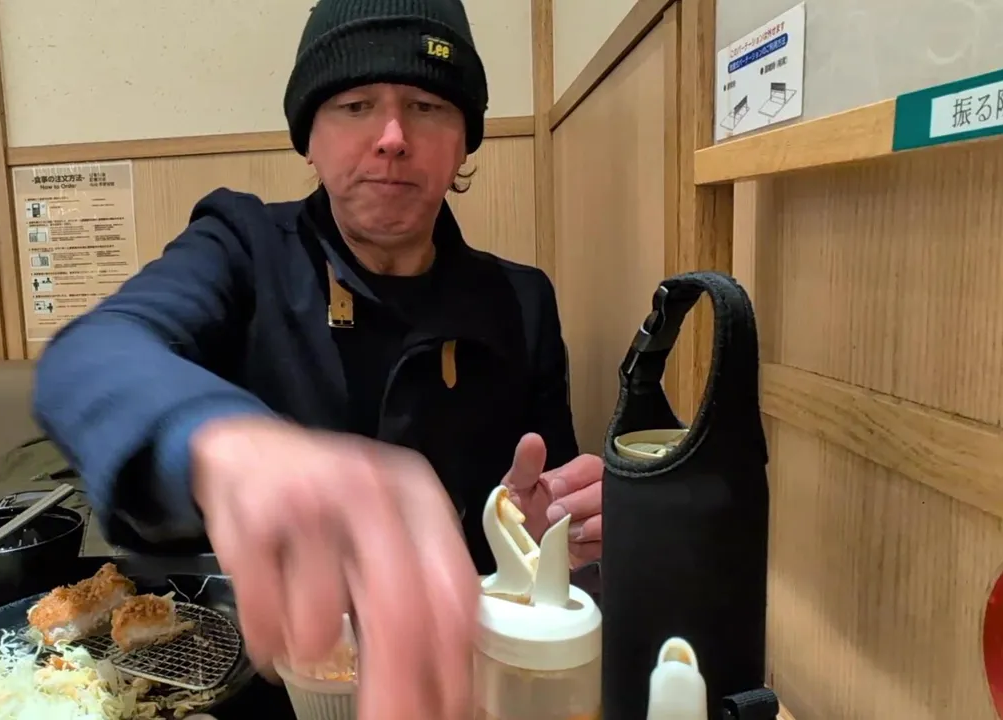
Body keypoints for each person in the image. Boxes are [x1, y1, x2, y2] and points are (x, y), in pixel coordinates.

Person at [32, 1, 604, 718]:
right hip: (262, 684)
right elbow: (92, 353)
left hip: (453, 685)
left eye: (426, 106)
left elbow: (548, 512)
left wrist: (547, 546)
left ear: (463, 142)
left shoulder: (521, 301)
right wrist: (227, 444)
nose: (392, 138)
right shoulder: (243, 246)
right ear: (310, 136)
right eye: (356, 105)